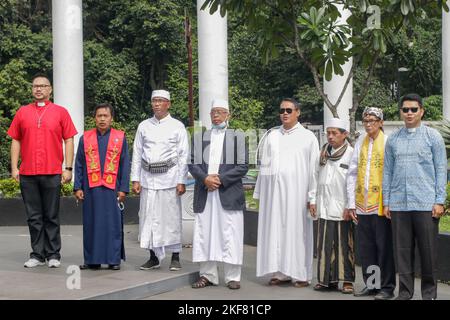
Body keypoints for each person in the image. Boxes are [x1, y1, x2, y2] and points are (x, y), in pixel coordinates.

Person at [7, 73, 77, 268]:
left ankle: (53, 254)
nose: (38, 89)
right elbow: (15, 140)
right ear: (32, 89)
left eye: (43, 86)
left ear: (50, 89)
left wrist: (68, 168)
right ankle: (37, 254)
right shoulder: (22, 112)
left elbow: (69, 139)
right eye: (35, 86)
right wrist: (14, 167)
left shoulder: (61, 112)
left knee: (51, 215)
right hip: (28, 172)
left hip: (52, 171)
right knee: (33, 216)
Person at [383, 93, 446, 300]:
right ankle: (405, 293)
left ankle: (429, 294)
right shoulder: (393, 139)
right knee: (402, 252)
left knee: (428, 252)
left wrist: (439, 200)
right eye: (405, 110)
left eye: (413, 109)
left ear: (421, 111)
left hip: (426, 203)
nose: (409, 113)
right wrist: (387, 201)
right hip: (399, 204)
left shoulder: (432, 137)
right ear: (401, 112)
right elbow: (388, 172)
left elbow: (440, 169)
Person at [254, 98, 319, 288]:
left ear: (298, 112)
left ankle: (301, 274)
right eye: (282, 110)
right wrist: (260, 193)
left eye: (289, 110)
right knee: (276, 231)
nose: (285, 113)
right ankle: (280, 272)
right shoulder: (272, 136)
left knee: (297, 232)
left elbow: (313, 169)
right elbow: (264, 166)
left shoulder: (308, 137)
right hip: (274, 195)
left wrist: (312, 196)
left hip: (297, 194)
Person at [188, 99, 248, 290]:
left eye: (220, 112)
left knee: (230, 233)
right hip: (205, 193)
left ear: (228, 115)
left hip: (228, 192)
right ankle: (208, 275)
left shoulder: (238, 137)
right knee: (205, 233)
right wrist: (205, 179)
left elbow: (242, 166)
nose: (216, 115)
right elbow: (192, 163)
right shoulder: (200, 137)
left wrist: (220, 179)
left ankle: (232, 276)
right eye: (213, 112)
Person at [131, 89, 189, 271]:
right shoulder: (144, 126)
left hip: (170, 178)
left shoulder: (177, 126)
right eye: (154, 100)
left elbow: (183, 155)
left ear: (168, 104)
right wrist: (135, 178)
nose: (156, 104)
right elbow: (137, 153)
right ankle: (153, 257)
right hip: (148, 179)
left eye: (160, 101)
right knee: (149, 218)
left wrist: (181, 180)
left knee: (170, 219)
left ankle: (175, 256)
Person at [346, 107, 396, 300]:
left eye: (373, 120)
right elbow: (352, 172)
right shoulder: (360, 141)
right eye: (366, 120)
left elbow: (392, 173)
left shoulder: (388, 141)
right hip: (362, 204)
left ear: (381, 122)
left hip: (381, 204)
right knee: (367, 249)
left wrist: (390, 202)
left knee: (384, 247)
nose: (368, 124)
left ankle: (387, 287)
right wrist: (351, 203)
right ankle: (372, 284)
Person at [73, 103, 130, 270]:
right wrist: (77, 187)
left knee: (112, 224)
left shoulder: (120, 137)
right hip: (90, 189)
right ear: (94, 118)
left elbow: (125, 164)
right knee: (91, 224)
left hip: (113, 189)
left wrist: (123, 189)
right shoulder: (86, 138)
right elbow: (79, 164)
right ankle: (92, 260)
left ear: (112, 118)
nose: (102, 119)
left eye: (106, 116)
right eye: (99, 116)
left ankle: (113, 260)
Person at [312, 118, 355, 294]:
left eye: (334, 133)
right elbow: (314, 177)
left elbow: (353, 182)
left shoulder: (351, 153)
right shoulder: (323, 153)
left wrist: (350, 205)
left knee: (345, 245)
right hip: (324, 204)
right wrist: (312, 199)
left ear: (344, 134)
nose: (330, 136)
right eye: (328, 133)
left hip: (343, 206)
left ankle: (347, 281)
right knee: (324, 244)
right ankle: (325, 280)